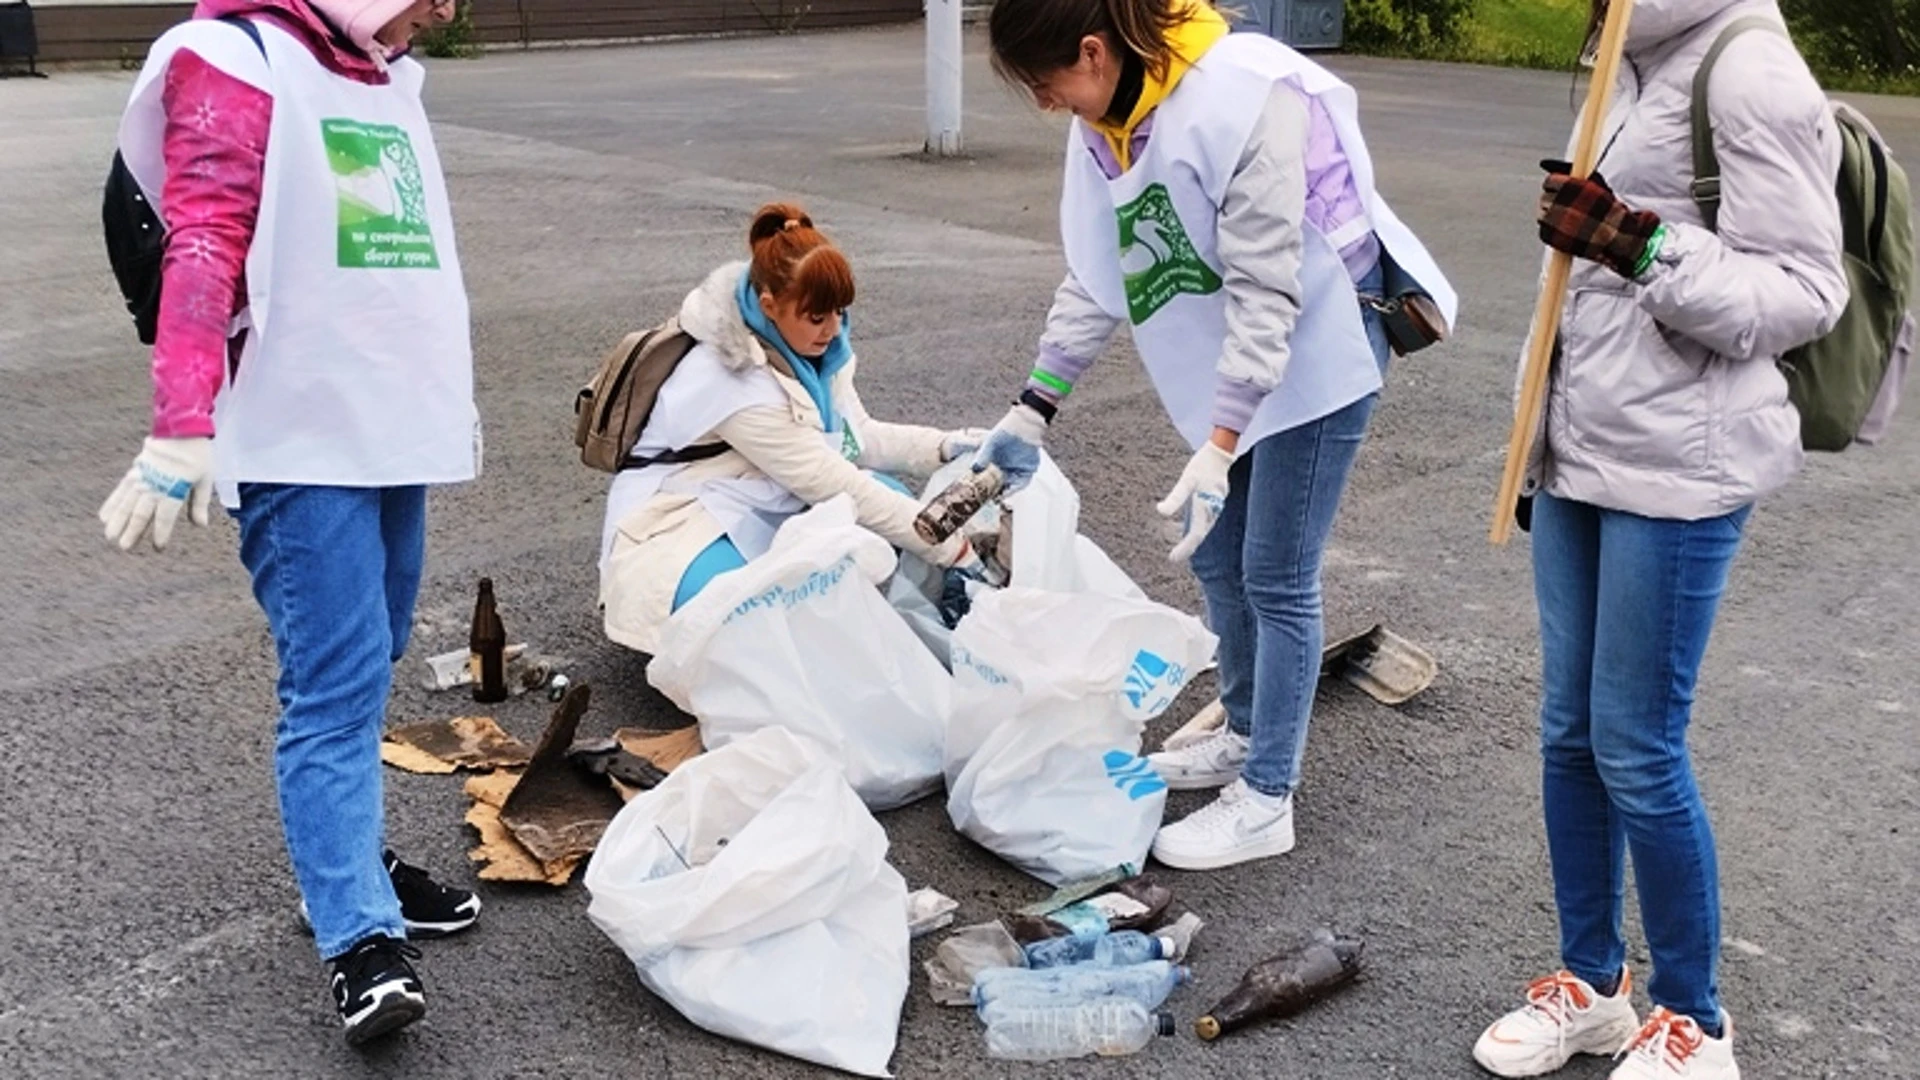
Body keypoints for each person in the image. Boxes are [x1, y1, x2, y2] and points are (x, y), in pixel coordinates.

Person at [973, 0, 1456, 870]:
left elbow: (1273, 289)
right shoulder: (1110, 118)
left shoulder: (1241, 95)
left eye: (1048, 86)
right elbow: (1101, 271)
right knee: (1213, 558)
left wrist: (1221, 443)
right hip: (1243, 366)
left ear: (1092, 50)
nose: (1050, 106)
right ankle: (1239, 730)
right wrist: (1033, 405)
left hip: (1321, 355)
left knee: (1275, 572)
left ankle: (1269, 796)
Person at [1470, 2, 1848, 1078]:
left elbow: (1806, 291)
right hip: (1580, 444)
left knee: (1637, 744)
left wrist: (1639, 244)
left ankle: (1696, 1020)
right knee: (1569, 733)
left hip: (1684, 466)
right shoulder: (1626, 56)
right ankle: (1593, 985)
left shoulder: (1748, 70)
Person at [100, 0, 486, 1046]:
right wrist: (182, 430)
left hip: (390, 429)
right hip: (298, 438)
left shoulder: (375, 73)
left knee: (378, 654)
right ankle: (358, 936)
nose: (446, 11)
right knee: (333, 683)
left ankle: (348, 857)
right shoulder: (229, 55)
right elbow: (201, 243)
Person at [599, 203, 986, 652]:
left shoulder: (810, 345)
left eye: (839, 312)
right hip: (681, 513)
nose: (833, 330)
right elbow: (832, 481)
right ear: (770, 306)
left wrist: (946, 446)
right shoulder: (730, 376)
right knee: (741, 612)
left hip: (762, 486)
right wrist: (953, 549)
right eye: (817, 318)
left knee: (892, 511)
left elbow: (853, 437)